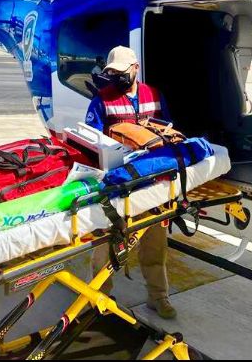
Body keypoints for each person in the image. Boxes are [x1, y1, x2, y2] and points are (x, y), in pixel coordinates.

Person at [85, 45, 176, 319]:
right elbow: (89, 141)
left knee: (155, 242)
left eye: (121, 73)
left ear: (135, 68)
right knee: (105, 245)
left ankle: (158, 297)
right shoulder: (102, 100)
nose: (116, 78)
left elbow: (168, 131)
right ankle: (100, 298)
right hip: (116, 182)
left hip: (152, 182)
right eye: (111, 73)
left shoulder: (154, 96)